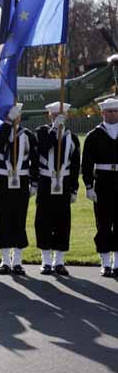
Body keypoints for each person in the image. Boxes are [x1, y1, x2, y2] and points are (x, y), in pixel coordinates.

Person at [0, 103, 38, 276]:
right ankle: (4, 260)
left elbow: (34, 159)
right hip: (3, 180)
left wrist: (34, 182)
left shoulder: (27, 135)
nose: (16, 116)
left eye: (17, 114)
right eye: (12, 114)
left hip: (21, 180)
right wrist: (8, 122)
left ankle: (17, 260)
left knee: (19, 218)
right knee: (2, 218)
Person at [35, 102, 80, 276]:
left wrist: (74, 189)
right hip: (46, 181)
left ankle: (59, 261)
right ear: (49, 116)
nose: (58, 119)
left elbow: (76, 166)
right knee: (44, 221)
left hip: (64, 182)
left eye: (61, 116)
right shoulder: (42, 132)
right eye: (54, 116)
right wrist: (55, 128)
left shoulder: (72, 137)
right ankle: (46, 261)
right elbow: (44, 147)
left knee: (63, 222)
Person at [82, 97, 118, 277]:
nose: (113, 114)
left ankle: (117, 263)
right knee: (103, 223)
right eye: (110, 111)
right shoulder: (94, 135)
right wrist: (89, 186)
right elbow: (86, 163)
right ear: (102, 113)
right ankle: (105, 262)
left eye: (116, 111)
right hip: (103, 182)